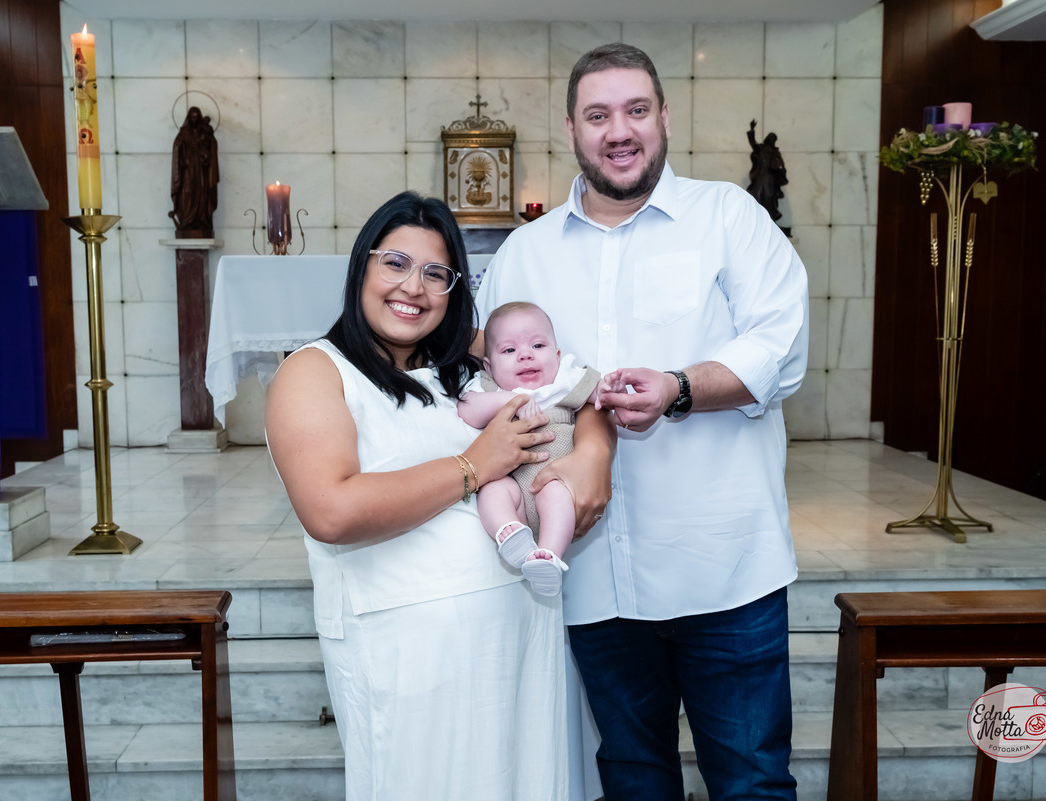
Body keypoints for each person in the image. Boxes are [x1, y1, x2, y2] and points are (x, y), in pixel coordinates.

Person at [476, 43, 809, 801]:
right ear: (571, 129)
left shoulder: (728, 217)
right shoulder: (523, 255)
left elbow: (782, 349)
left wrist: (679, 387)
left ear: (664, 116)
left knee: (753, 783)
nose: (619, 131)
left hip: (726, 569)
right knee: (632, 780)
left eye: (635, 110)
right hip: (593, 581)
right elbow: (482, 374)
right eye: (598, 115)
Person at [265, 191, 575, 800]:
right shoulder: (315, 371)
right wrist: (474, 465)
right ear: (362, 266)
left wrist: (593, 454)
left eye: (436, 273)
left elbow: (573, 380)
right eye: (396, 263)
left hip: (518, 639)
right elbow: (331, 511)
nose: (414, 287)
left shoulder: (463, 365)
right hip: (409, 659)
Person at [458, 302, 603, 596]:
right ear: (489, 366)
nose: (525, 355)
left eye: (538, 345)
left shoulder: (563, 381)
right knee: (493, 489)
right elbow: (467, 410)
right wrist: (510, 402)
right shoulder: (489, 388)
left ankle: (548, 556)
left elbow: (599, 394)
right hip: (514, 495)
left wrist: (612, 389)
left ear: (557, 356)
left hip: (556, 484)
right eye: (509, 350)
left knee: (556, 490)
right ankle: (509, 533)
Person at [169, 105, 220, 236]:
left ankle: (202, 220)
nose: (194, 120)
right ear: (189, 118)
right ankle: (187, 220)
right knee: (188, 194)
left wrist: (207, 138)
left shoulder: (204, 132)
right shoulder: (183, 134)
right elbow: (177, 151)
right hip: (187, 172)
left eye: (197, 117)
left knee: (202, 193)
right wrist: (182, 160)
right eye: (192, 117)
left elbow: (211, 146)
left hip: (201, 170)